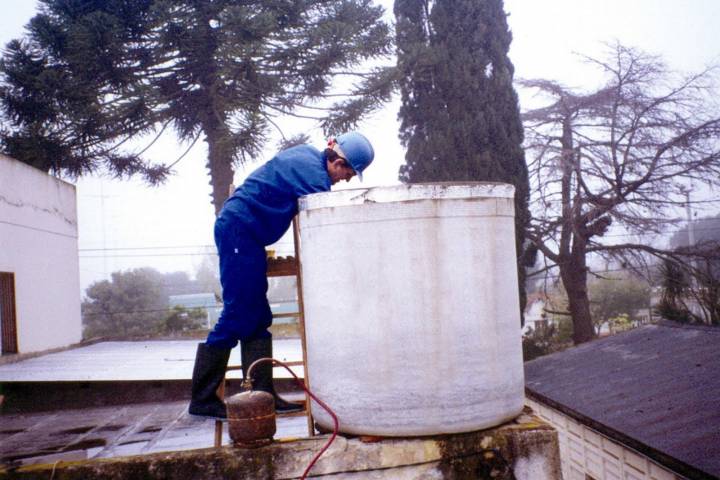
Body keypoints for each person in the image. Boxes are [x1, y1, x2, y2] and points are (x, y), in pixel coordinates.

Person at [188, 132, 375, 419]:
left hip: (247, 235)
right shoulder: (314, 178)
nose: (345, 181)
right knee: (238, 313)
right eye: (347, 174)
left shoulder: (306, 155)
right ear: (338, 162)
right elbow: (327, 221)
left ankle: (263, 396)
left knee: (258, 318)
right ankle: (202, 400)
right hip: (239, 231)